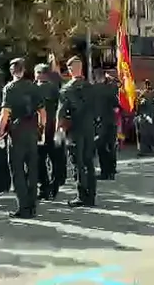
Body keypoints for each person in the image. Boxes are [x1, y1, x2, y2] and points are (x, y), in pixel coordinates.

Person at [0, 58, 45, 218]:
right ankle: (32, 205)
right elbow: (42, 112)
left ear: (12, 71)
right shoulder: (33, 86)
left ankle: (23, 207)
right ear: (24, 70)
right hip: (31, 131)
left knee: (17, 170)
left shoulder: (9, 88)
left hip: (16, 133)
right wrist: (41, 130)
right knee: (32, 169)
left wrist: (0, 133)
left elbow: (5, 114)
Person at [57, 56, 96, 207]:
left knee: (77, 163)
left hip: (74, 130)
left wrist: (58, 132)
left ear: (70, 69)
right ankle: (91, 196)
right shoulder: (91, 87)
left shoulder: (67, 89)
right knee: (88, 162)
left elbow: (61, 114)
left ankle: (81, 195)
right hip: (89, 129)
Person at [34, 63, 64, 199]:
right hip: (54, 127)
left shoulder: (35, 89)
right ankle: (54, 186)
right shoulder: (55, 89)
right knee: (55, 159)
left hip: (40, 129)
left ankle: (44, 188)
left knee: (40, 160)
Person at [94, 72, 119, 180]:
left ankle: (105, 172)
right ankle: (112, 170)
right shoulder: (111, 89)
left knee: (102, 148)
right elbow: (116, 106)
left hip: (100, 122)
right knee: (111, 146)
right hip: (111, 121)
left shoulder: (93, 90)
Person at [135, 80, 154, 155]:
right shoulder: (147, 95)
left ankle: (149, 148)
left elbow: (142, 107)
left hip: (148, 117)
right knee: (148, 133)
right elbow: (142, 107)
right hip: (148, 117)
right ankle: (148, 148)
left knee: (150, 133)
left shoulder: (146, 95)